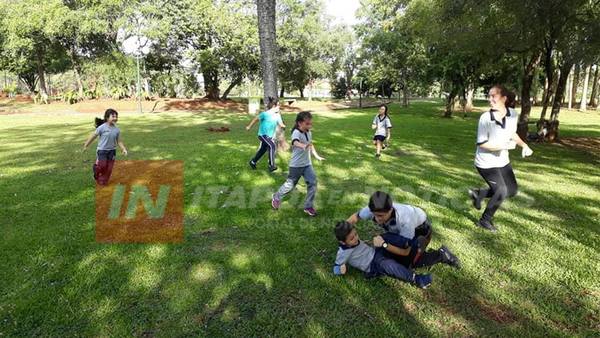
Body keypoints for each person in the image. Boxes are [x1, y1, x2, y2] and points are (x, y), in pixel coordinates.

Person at [468, 85, 533, 232]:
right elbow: (482, 144)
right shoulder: (485, 118)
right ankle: (484, 221)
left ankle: (478, 194)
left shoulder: (513, 114)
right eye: (489, 96)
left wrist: (524, 145)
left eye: (493, 96)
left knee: (511, 190)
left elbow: (512, 133)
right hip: (486, 163)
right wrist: (504, 146)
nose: (490, 99)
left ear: (504, 98)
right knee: (501, 191)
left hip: (503, 161)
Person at [346, 191, 460, 269]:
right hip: (398, 229)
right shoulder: (374, 208)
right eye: (374, 215)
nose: (376, 219)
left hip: (420, 230)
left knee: (405, 263)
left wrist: (384, 244)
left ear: (390, 210)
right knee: (385, 253)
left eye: (380, 216)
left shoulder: (405, 220)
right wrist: (343, 232)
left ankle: (441, 254)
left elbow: (405, 251)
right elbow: (356, 216)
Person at [333, 221, 433, 289]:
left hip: (376, 253)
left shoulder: (352, 240)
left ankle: (409, 242)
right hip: (372, 265)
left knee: (383, 237)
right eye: (352, 238)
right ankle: (417, 279)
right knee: (386, 263)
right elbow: (336, 267)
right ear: (342, 242)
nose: (355, 238)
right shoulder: (343, 253)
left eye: (356, 234)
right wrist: (339, 270)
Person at [271, 111, 324, 217]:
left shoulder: (309, 132)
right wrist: (302, 145)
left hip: (307, 164)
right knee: (290, 185)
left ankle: (308, 206)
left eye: (310, 123)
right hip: (296, 165)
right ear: (300, 123)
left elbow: (310, 144)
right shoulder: (296, 132)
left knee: (313, 182)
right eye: (307, 124)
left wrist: (316, 155)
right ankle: (276, 196)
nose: (310, 125)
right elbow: (295, 142)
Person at [83, 109, 128, 185]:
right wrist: (86, 145)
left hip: (112, 151)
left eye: (116, 117)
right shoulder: (102, 127)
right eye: (113, 116)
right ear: (107, 118)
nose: (115, 118)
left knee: (109, 168)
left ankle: (103, 180)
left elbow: (119, 141)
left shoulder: (117, 130)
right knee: (103, 165)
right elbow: (93, 136)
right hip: (102, 151)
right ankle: (96, 170)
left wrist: (123, 149)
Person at [246, 97, 286, 172]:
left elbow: (281, 124)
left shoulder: (277, 115)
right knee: (272, 145)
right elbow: (255, 119)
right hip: (262, 135)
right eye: (278, 105)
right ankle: (271, 165)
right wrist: (249, 126)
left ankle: (253, 162)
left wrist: (284, 126)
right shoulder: (265, 114)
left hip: (269, 136)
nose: (279, 107)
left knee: (263, 150)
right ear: (274, 106)